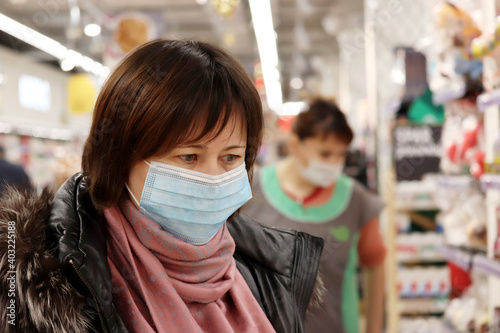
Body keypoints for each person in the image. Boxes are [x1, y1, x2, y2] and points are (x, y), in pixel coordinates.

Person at [0, 40, 324, 333]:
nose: (212, 178)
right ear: (120, 156)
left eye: (230, 157)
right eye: (188, 156)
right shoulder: (33, 286)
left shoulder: (271, 272)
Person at [243, 98, 386, 333]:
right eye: (325, 153)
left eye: (341, 155)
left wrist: (374, 329)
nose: (334, 163)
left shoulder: (354, 200)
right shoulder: (253, 191)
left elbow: (375, 265)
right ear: (295, 145)